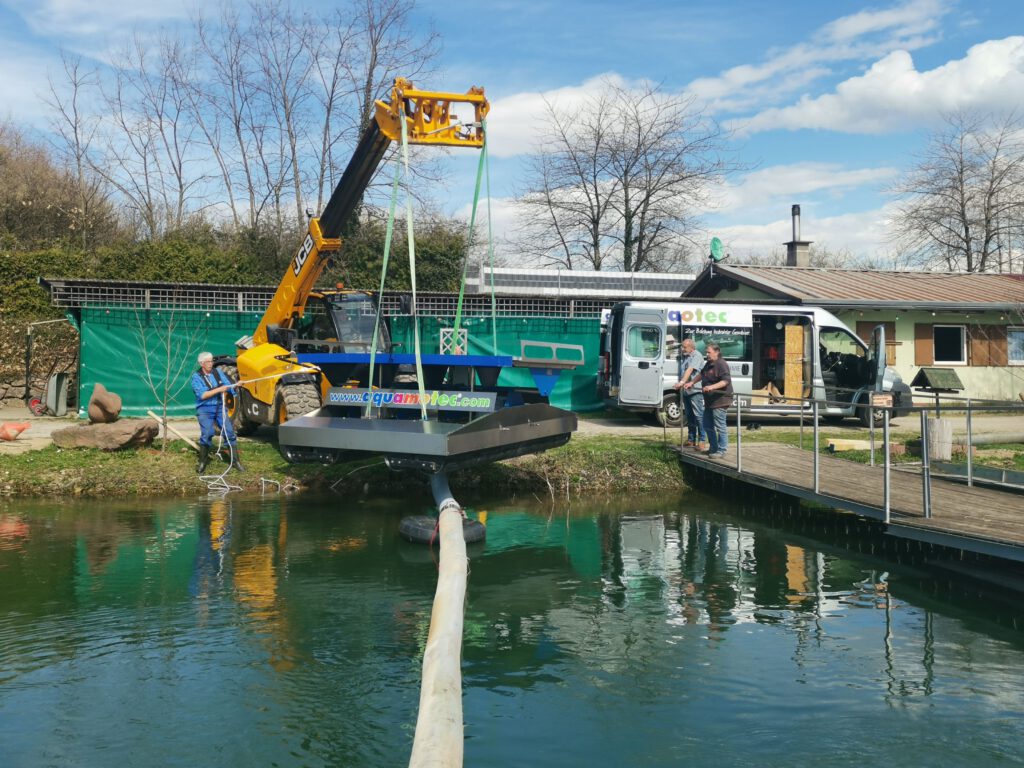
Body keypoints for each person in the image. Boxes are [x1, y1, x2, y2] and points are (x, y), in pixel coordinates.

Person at [191, 352, 244, 473]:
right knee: (207, 434)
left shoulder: (218, 372)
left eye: (212, 361)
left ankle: (236, 461)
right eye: (208, 361)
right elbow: (203, 395)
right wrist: (219, 389)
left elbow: (227, 385)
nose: (211, 363)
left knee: (229, 433)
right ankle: (203, 462)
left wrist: (236, 385)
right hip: (205, 409)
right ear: (202, 363)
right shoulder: (196, 377)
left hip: (220, 407)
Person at [683, 342, 733, 458]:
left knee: (720, 426)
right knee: (707, 425)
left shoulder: (721, 364)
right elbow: (702, 374)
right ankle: (713, 448)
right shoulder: (709, 363)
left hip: (720, 400)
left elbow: (726, 381)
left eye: (709, 352)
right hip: (710, 401)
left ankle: (722, 450)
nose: (707, 354)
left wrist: (712, 387)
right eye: (706, 352)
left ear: (717, 352)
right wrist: (691, 382)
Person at [672, 338, 707, 450]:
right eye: (682, 346)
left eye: (684, 347)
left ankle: (702, 440)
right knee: (689, 416)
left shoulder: (697, 355)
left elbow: (690, 370)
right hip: (686, 390)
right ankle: (691, 440)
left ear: (691, 347)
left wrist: (682, 382)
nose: (682, 349)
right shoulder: (685, 356)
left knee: (699, 416)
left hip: (695, 390)